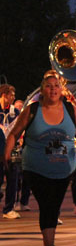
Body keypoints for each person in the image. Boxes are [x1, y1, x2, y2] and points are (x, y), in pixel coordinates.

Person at [3, 71, 76, 246]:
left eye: (56, 86)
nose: (53, 89)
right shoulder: (32, 109)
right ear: (42, 90)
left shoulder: (70, 109)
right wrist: (6, 153)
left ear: (61, 90)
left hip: (63, 169)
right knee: (47, 204)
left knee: (53, 206)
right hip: (35, 167)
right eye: (48, 86)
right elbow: (13, 133)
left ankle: (48, 245)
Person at [1, 84, 21, 219]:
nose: (13, 97)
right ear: (3, 95)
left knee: (13, 179)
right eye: (11, 94)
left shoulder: (15, 112)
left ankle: (8, 209)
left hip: (11, 148)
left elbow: (21, 127)